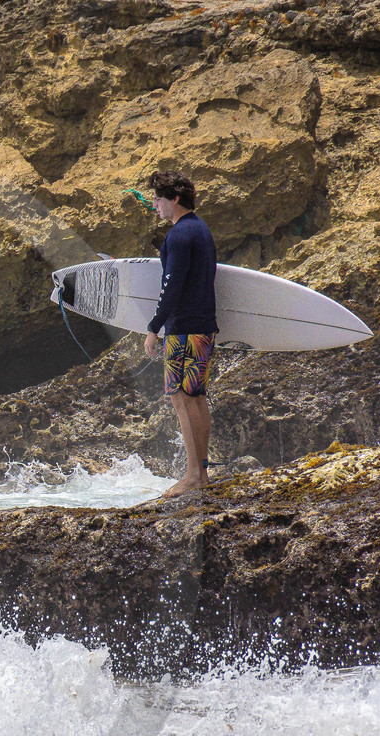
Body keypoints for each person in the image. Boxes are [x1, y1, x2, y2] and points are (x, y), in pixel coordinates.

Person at [143, 170, 218, 498]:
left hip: (183, 329)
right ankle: (201, 475)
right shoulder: (202, 230)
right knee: (197, 397)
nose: (155, 206)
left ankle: (192, 476)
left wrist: (153, 328)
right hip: (203, 326)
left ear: (174, 199)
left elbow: (170, 286)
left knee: (181, 398)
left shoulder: (179, 236)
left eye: (158, 199)